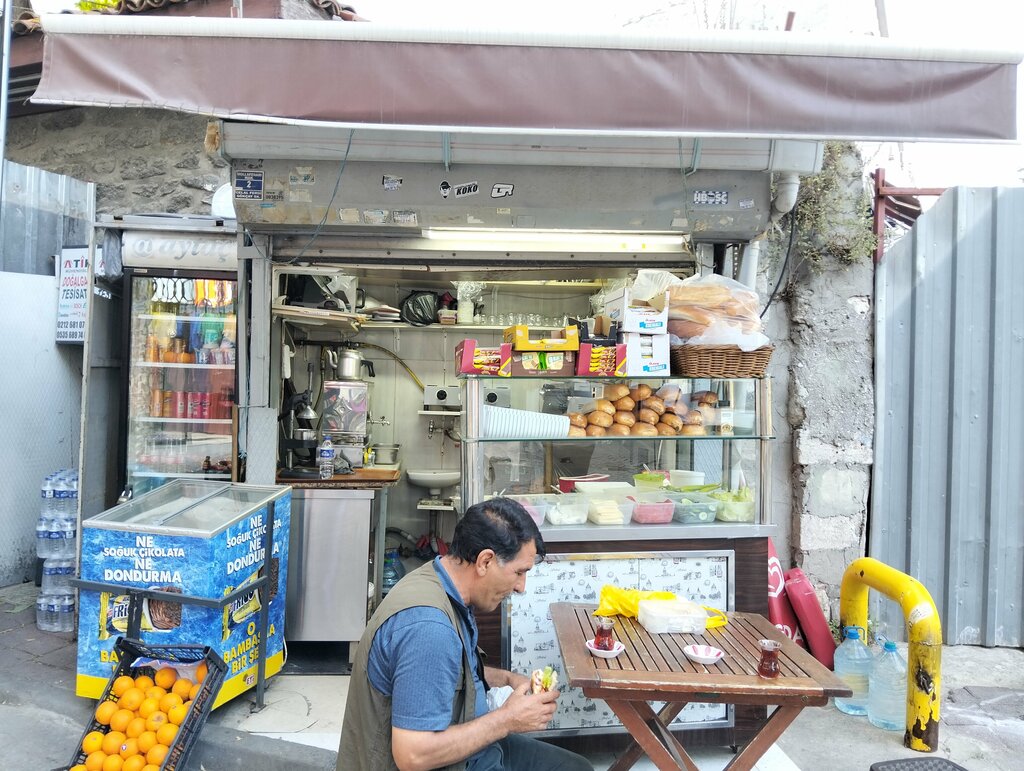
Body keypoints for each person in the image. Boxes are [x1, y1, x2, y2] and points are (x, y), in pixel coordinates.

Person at [337, 497, 593, 771]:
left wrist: (504, 679)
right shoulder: (429, 629)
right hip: (445, 760)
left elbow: (447, 672)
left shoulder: (441, 578)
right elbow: (413, 755)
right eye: (519, 572)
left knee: (575, 767)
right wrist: (507, 720)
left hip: (478, 750)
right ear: (485, 561)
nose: (521, 587)